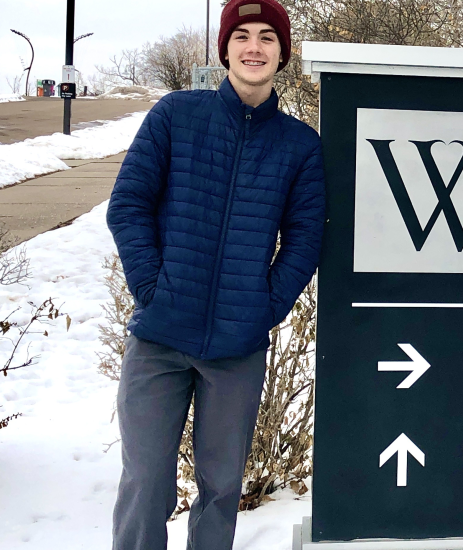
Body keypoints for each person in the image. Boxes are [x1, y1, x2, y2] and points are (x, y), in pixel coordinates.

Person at [106, 0, 325, 548]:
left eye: (268, 38)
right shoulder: (177, 115)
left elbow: (304, 239)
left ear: (283, 53)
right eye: (243, 36)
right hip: (159, 339)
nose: (255, 47)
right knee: (145, 483)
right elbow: (128, 204)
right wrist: (152, 289)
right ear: (224, 48)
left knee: (222, 487)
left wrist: (263, 307)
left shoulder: (299, 146)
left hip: (236, 350)